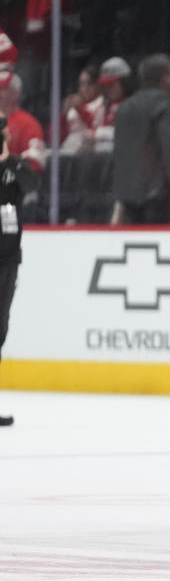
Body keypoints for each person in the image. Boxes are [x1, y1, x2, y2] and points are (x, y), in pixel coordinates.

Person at [111, 54, 170, 224]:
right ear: (164, 78)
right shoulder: (164, 105)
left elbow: (119, 152)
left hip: (126, 194)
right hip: (158, 196)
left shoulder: (124, 107)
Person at [0, 110, 40, 427]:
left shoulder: (14, 166)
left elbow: (32, 184)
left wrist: (7, 159)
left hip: (8, 257)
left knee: (0, 328)